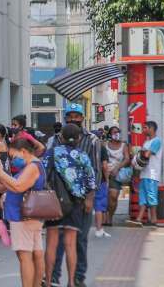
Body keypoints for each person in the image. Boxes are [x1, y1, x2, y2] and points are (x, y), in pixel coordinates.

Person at [47, 103, 101, 287]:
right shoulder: (55, 140)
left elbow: (96, 170)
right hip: (57, 199)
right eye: (69, 116)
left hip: (81, 199)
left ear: (82, 118)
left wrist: (90, 198)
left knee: (80, 239)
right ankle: (54, 276)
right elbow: (47, 170)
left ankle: (78, 278)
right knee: (58, 241)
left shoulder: (92, 140)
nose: (72, 119)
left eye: (76, 116)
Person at [0, 139, 46, 287]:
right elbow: (14, 186)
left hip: (23, 216)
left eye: (14, 157)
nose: (14, 161)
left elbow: (19, 186)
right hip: (27, 215)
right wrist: (1, 182)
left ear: (24, 152)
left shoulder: (32, 167)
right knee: (34, 254)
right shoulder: (31, 166)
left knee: (25, 256)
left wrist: (0, 172)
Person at [128, 121, 162, 227]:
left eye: (145, 128)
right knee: (143, 196)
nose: (143, 130)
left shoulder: (157, 141)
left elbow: (146, 154)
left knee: (151, 196)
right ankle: (139, 218)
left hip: (152, 172)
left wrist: (137, 154)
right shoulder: (147, 142)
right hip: (144, 173)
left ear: (152, 129)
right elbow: (143, 154)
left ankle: (153, 219)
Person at [105, 126, 130, 226]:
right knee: (106, 197)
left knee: (114, 196)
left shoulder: (124, 145)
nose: (117, 134)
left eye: (118, 132)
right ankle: (105, 217)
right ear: (110, 135)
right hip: (105, 174)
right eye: (114, 132)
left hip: (117, 174)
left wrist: (118, 168)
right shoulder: (105, 144)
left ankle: (110, 217)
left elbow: (127, 158)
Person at [94, 145, 111, 238]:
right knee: (99, 206)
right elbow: (104, 166)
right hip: (99, 180)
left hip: (85, 180)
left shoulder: (83, 145)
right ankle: (99, 229)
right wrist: (107, 179)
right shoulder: (101, 147)